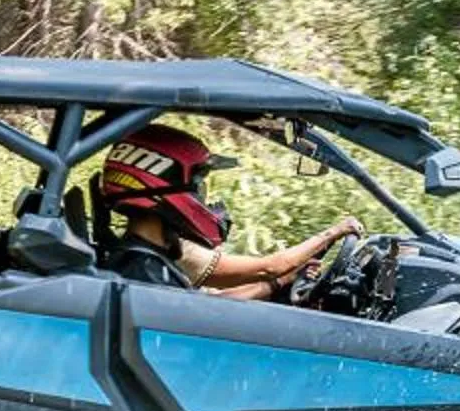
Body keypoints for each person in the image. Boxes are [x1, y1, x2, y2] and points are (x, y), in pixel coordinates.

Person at [92, 123, 361, 299]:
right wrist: (335, 232)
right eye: (198, 182)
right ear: (163, 180)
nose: (202, 193)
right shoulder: (144, 270)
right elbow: (270, 267)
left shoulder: (148, 256)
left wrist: (278, 284)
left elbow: (208, 306)